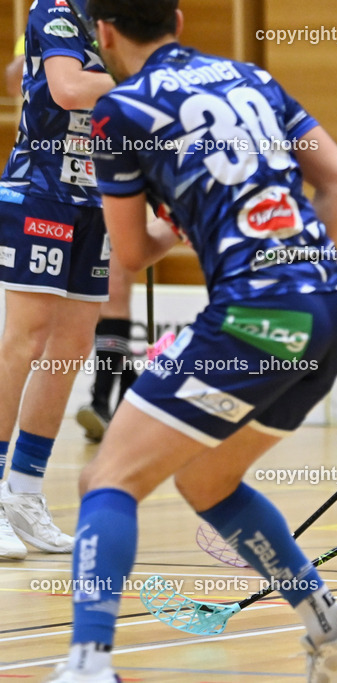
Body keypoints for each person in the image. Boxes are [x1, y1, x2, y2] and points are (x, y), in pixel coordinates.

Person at [53, 1, 337, 680]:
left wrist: (185, 220)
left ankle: (87, 664)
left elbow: (130, 251)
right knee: (208, 479)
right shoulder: (253, 80)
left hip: (254, 316)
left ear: (105, 34)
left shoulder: (120, 111)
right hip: (330, 309)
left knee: (106, 477)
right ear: (178, 19)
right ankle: (335, 626)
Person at [0, 0, 116, 561]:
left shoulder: (124, 18)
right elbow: (68, 88)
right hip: (40, 191)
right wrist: (142, 73)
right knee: (26, 339)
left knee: (70, 346)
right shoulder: (58, 9)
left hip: (96, 200)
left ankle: (24, 491)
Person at [75, 255, 138, 442]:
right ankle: (132, 394)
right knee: (97, 305)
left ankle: (100, 403)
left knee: (113, 290)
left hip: (113, 227)